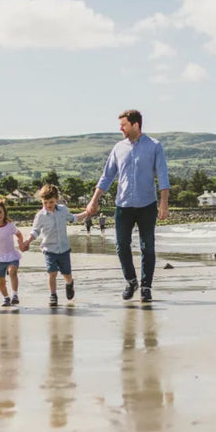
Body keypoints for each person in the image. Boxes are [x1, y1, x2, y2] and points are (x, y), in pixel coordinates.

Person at [85, 109, 170, 303]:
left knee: (147, 247)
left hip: (147, 205)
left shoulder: (155, 146)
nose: (120, 128)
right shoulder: (118, 148)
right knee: (121, 246)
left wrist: (164, 204)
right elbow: (107, 176)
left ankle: (146, 287)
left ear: (135, 125)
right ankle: (131, 281)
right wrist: (94, 199)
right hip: (123, 206)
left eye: (123, 124)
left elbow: (163, 176)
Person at [22, 184, 86, 307]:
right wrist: (27, 241)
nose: (48, 205)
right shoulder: (40, 216)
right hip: (49, 249)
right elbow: (35, 231)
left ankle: (69, 283)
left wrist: (86, 213)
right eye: (45, 202)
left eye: (51, 202)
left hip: (64, 249)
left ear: (56, 199)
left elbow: (73, 218)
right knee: (52, 272)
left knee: (66, 274)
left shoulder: (63, 210)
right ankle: (53, 295)